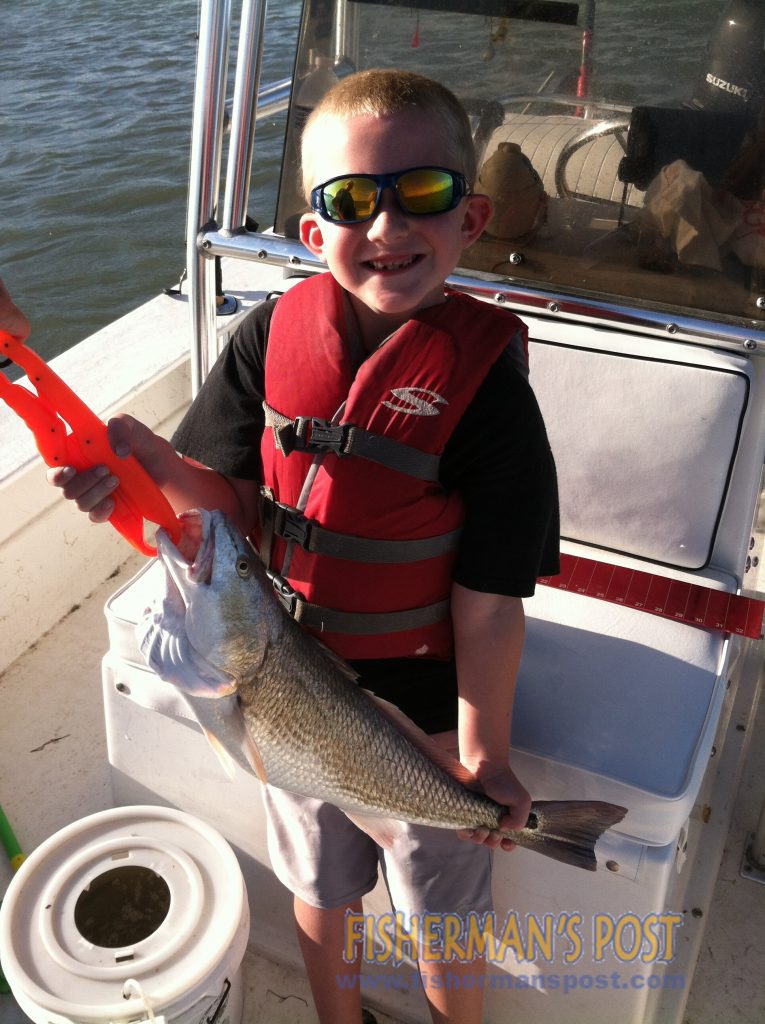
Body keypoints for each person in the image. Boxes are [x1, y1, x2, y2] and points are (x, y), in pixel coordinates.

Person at [47, 69, 559, 1024]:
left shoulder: (490, 396)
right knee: (323, 896)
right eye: (353, 199)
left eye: (424, 194)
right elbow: (225, 506)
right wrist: (143, 463)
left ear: (473, 217)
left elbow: (490, 601)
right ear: (312, 231)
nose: (387, 225)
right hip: (284, 691)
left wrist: (482, 756)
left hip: (422, 711)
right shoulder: (268, 337)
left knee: (440, 920)